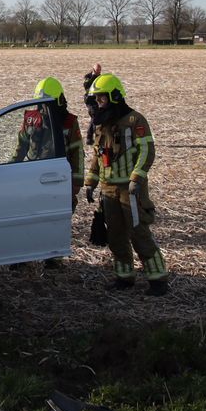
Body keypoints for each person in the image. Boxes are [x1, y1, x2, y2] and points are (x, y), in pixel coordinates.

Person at [83, 74, 169, 296]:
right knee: (116, 236)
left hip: (130, 191)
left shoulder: (135, 120)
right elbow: (97, 155)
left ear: (114, 96)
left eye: (101, 99)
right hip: (108, 189)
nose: (98, 104)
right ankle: (124, 278)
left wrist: (136, 178)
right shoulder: (102, 124)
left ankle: (158, 280)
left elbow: (147, 151)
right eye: (97, 100)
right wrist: (91, 182)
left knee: (139, 234)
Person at [11, 77, 85, 209]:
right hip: (32, 176)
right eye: (40, 103)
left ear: (59, 101)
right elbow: (21, 147)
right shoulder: (30, 119)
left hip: (57, 178)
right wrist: (8, 170)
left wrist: (76, 184)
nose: (43, 107)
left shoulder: (69, 122)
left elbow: (77, 153)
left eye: (47, 103)